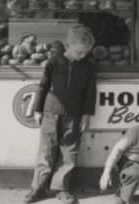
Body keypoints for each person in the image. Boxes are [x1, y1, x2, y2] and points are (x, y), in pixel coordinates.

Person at [24, 24, 97, 204]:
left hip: (74, 116)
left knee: (68, 153)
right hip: (50, 113)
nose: (82, 56)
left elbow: (90, 91)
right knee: (46, 152)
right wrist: (38, 109)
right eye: (79, 52)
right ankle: (37, 189)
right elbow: (43, 86)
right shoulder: (53, 62)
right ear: (67, 45)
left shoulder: (87, 66)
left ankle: (61, 189)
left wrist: (87, 115)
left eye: (85, 53)